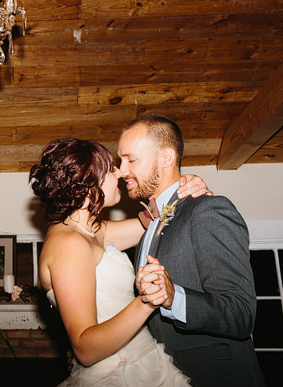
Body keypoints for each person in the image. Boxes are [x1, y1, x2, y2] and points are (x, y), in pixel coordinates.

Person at [31, 137, 208, 386]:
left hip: (143, 360)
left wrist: (185, 189)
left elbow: (154, 220)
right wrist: (147, 301)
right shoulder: (68, 244)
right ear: (88, 180)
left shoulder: (91, 230)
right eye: (111, 168)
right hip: (118, 374)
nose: (120, 173)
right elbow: (85, 348)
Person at [122, 114, 265, 387]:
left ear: (166, 158)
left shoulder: (208, 209)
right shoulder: (148, 229)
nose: (121, 169)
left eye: (131, 159)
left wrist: (174, 298)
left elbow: (241, 314)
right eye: (120, 160)